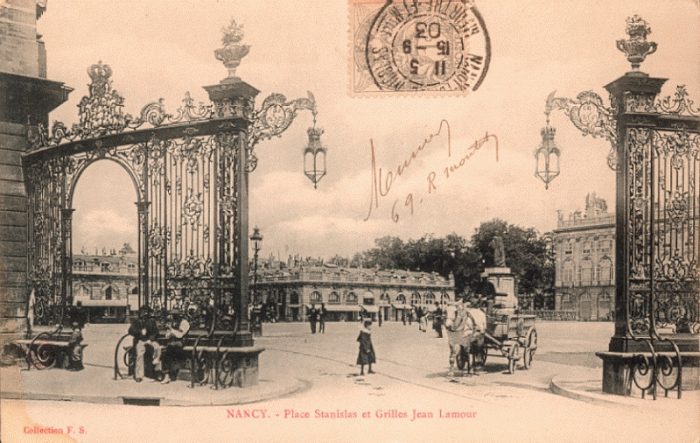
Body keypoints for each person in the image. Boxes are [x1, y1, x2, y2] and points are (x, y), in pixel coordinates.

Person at [129, 307, 161, 382]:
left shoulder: (152, 321)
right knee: (140, 354)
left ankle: (157, 371)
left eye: (147, 312)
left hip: (150, 340)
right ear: (140, 313)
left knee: (157, 348)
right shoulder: (136, 321)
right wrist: (139, 332)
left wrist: (151, 339)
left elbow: (156, 332)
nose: (145, 314)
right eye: (143, 312)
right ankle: (139, 375)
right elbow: (130, 331)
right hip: (140, 340)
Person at [161, 309, 190, 384]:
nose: (174, 316)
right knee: (165, 353)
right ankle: (167, 375)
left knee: (168, 352)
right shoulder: (172, 323)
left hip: (180, 343)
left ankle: (169, 375)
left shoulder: (184, 323)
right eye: (173, 315)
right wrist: (172, 331)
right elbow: (167, 335)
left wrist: (171, 330)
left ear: (179, 315)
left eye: (175, 315)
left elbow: (180, 335)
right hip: (172, 343)